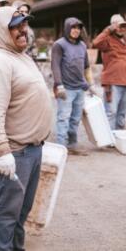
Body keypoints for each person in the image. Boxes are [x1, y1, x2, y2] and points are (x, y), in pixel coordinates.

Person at [0, 7, 52, 251]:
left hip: (32, 150)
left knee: (21, 212)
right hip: (14, 152)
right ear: (2, 30)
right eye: (16, 26)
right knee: (6, 213)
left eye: (25, 24)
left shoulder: (20, 55)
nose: (23, 30)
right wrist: (2, 149)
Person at [51, 17, 93, 154]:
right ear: (67, 28)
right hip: (66, 88)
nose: (76, 30)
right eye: (73, 27)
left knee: (75, 119)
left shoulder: (82, 46)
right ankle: (61, 148)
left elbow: (86, 67)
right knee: (63, 118)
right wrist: (59, 85)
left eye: (78, 28)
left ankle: (72, 145)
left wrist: (89, 85)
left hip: (80, 88)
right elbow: (55, 66)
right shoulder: (59, 45)